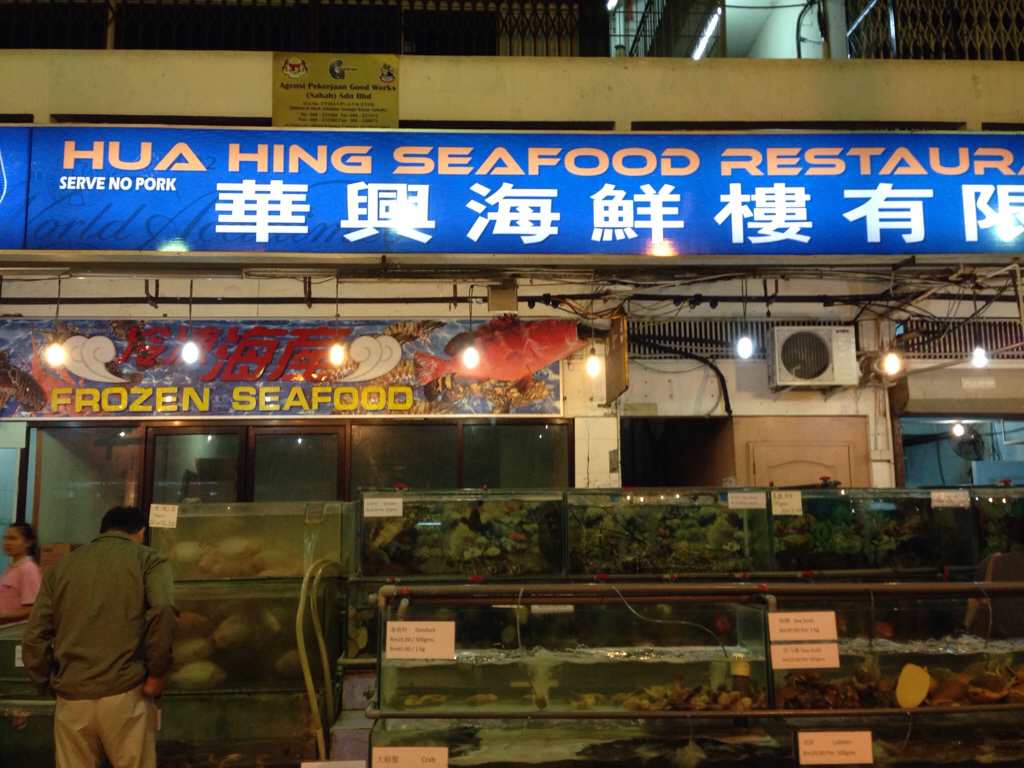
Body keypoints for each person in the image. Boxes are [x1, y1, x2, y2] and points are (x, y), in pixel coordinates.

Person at [22, 506, 177, 768]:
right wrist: (157, 672)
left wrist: (45, 682)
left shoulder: (62, 567)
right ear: (141, 532)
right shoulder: (148, 560)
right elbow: (163, 610)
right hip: (126, 693)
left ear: (103, 530)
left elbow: (34, 636)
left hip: (72, 695)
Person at [0, 522, 42, 623]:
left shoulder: (29, 569)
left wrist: (3, 617)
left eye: (13, 538)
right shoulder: (12, 568)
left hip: (13, 630)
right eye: (5, 538)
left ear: (28, 543)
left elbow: (33, 609)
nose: (7, 543)